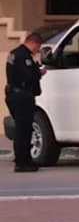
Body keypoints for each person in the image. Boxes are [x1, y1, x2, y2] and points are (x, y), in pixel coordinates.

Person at [5, 32, 46, 173]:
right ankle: (22, 162)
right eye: (38, 47)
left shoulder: (15, 53)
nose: (37, 50)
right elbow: (28, 76)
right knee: (23, 131)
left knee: (24, 130)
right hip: (21, 97)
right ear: (33, 43)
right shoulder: (23, 56)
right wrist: (39, 73)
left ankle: (25, 160)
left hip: (16, 96)